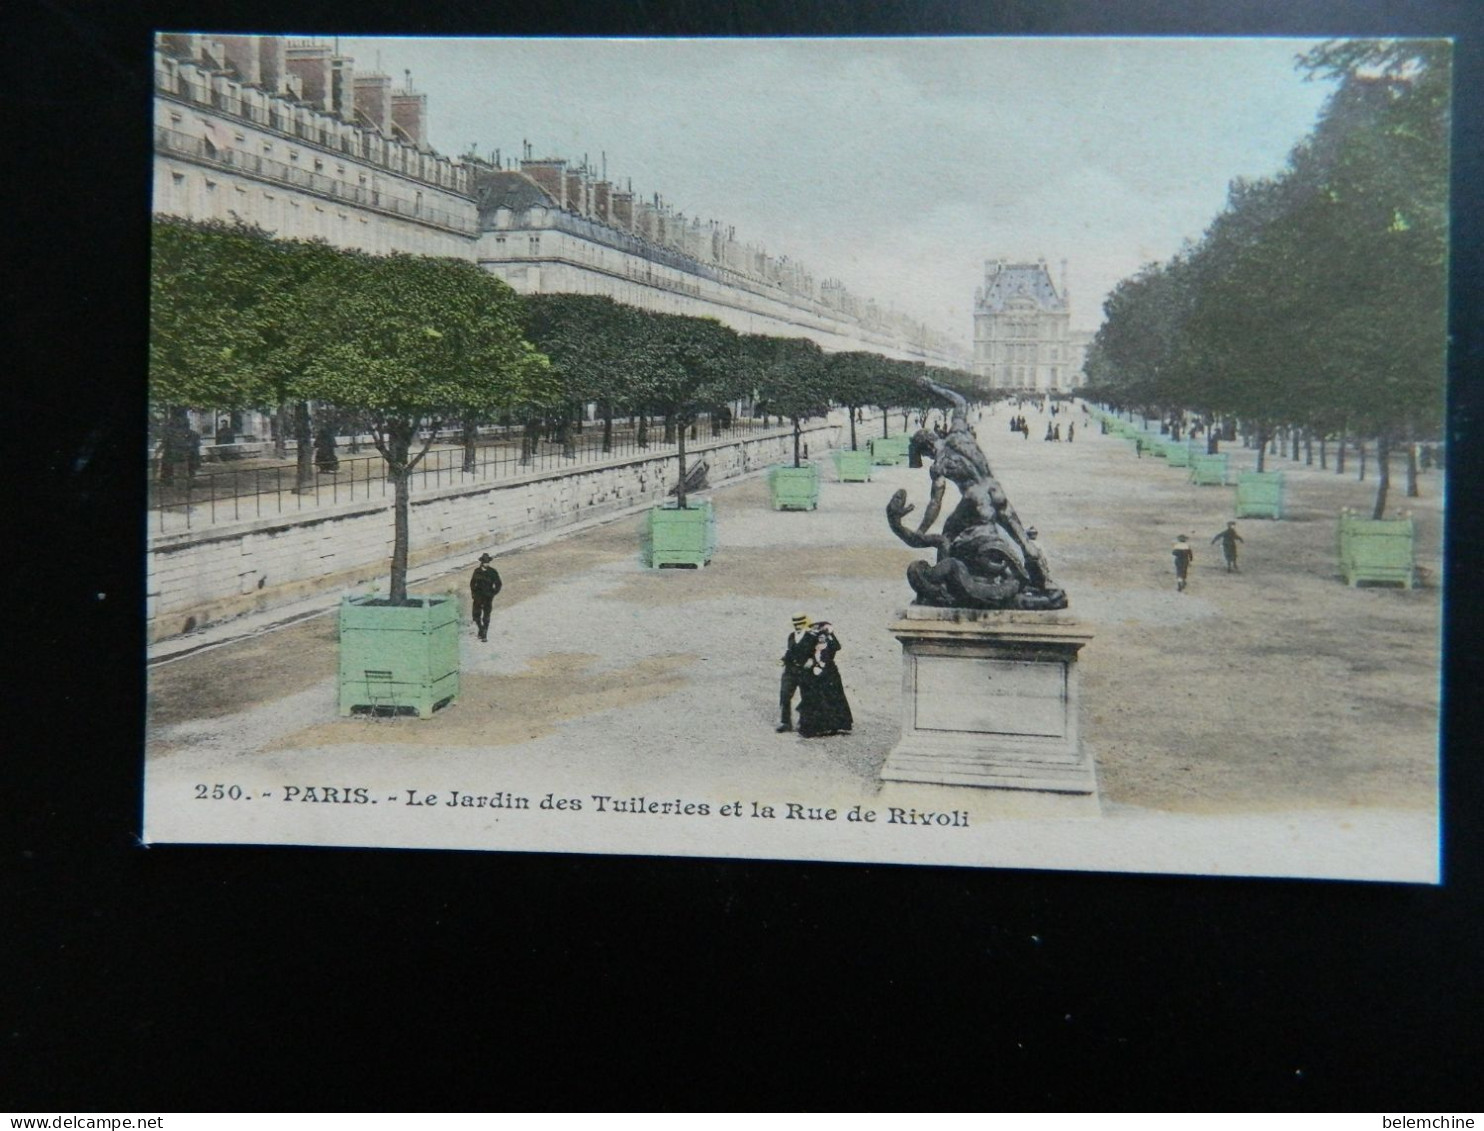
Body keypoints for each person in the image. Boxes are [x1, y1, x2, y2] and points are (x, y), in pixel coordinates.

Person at [795, 621, 853, 738]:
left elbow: (837, 647)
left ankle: (835, 725)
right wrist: (812, 636)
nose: (821, 637)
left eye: (823, 634)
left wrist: (831, 634)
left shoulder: (829, 642)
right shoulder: (810, 639)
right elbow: (802, 650)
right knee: (815, 701)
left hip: (830, 674)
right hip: (813, 675)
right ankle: (812, 728)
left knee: (833, 699)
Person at [777, 612, 815, 732]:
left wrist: (812, 660)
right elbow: (790, 651)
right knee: (784, 695)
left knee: (807, 697)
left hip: (805, 672)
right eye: (795, 624)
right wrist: (783, 659)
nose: (797, 626)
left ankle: (805, 724)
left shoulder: (811, 637)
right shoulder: (791, 636)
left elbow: (818, 653)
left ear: (804, 623)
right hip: (790, 670)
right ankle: (785, 723)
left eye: (800, 624)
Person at [469, 552, 503, 641]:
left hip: (488, 597)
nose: (486, 564)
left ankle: (484, 634)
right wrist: (473, 593)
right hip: (478, 596)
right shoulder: (477, 571)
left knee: (486, 616)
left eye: (487, 562)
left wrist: (493, 593)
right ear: (481, 562)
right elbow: (472, 583)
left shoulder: (492, 572)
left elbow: (498, 583)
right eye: (485, 562)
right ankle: (481, 628)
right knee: (476, 615)